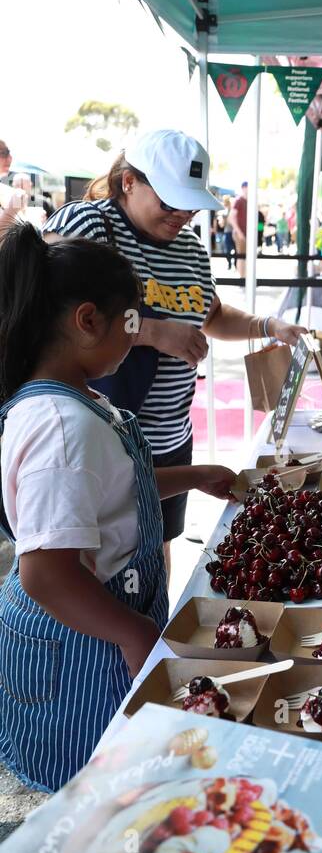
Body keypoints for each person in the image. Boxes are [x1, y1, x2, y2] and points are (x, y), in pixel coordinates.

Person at [0, 223, 236, 791]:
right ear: (87, 320)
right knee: (96, 787)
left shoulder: (81, 402)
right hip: (78, 644)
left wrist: (195, 476)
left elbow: (112, 488)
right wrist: (133, 634)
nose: (137, 336)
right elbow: (46, 574)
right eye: (131, 321)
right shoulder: (61, 427)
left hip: (99, 627)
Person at [44, 132, 304, 571]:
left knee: (156, 551)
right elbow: (46, 309)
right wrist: (148, 330)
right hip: (99, 435)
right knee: (98, 559)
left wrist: (268, 326)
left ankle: (152, 629)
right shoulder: (88, 225)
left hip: (168, 437)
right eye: (169, 202)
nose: (182, 214)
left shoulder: (190, 249)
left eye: (190, 204)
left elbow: (212, 315)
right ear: (129, 182)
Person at [229, 181, 249, 276]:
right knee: (241, 256)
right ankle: (242, 279)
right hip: (239, 233)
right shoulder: (239, 200)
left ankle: (245, 277)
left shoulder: (248, 201)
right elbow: (231, 217)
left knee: (245, 257)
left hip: (246, 233)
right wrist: (239, 232)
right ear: (243, 188)